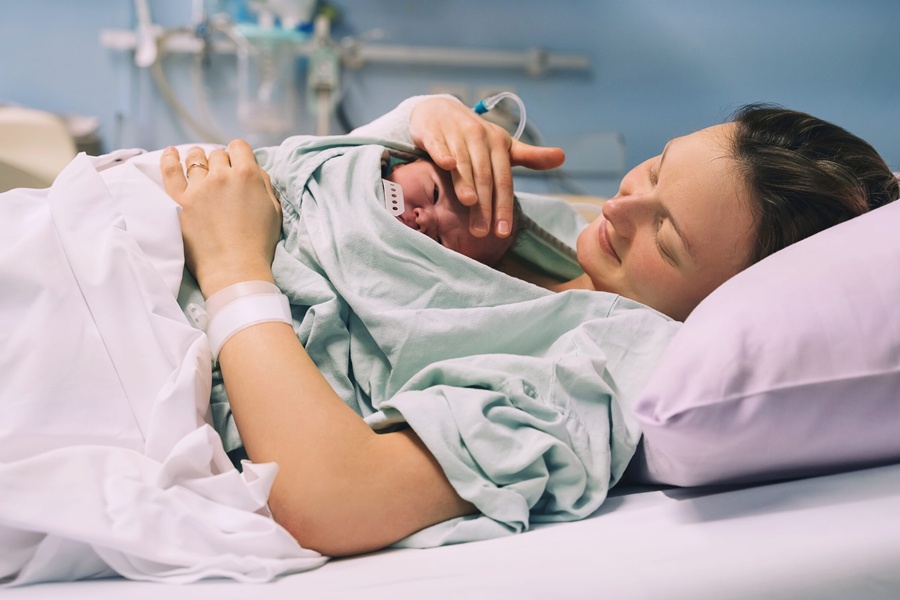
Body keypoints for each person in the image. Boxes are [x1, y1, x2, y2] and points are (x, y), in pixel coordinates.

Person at [159, 95, 898, 557]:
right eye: (654, 170)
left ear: (720, 302)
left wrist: (233, 269)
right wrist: (417, 121)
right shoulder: (553, 240)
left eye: (666, 235)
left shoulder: (595, 374)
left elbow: (336, 496)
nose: (619, 208)